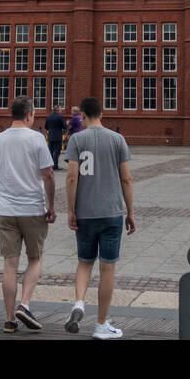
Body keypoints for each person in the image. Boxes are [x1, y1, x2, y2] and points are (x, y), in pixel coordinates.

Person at [0, 97, 55, 333]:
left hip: (7, 210)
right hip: (32, 209)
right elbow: (48, 174)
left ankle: (10, 319)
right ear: (29, 115)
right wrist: (51, 205)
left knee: (10, 263)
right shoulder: (37, 138)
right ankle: (25, 304)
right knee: (35, 258)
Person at [64, 96, 136, 339]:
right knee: (107, 268)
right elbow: (126, 179)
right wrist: (131, 212)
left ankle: (78, 303)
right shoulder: (117, 139)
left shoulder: (77, 139)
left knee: (85, 262)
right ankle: (101, 325)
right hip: (111, 212)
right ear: (102, 114)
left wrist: (71, 209)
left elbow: (72, 177)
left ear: (82, 116)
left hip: (85, 213)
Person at [44, 105, 67, 170]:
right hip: (58, 136)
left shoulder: (48, 117)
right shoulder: (60, 117)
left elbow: (46, 127)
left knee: (51, 151)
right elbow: (64, 126)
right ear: (58, 110)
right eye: (60, 109)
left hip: (50, 136)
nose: (61, 111)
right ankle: (55, 165)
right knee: (57, 151)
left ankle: (50, 165)